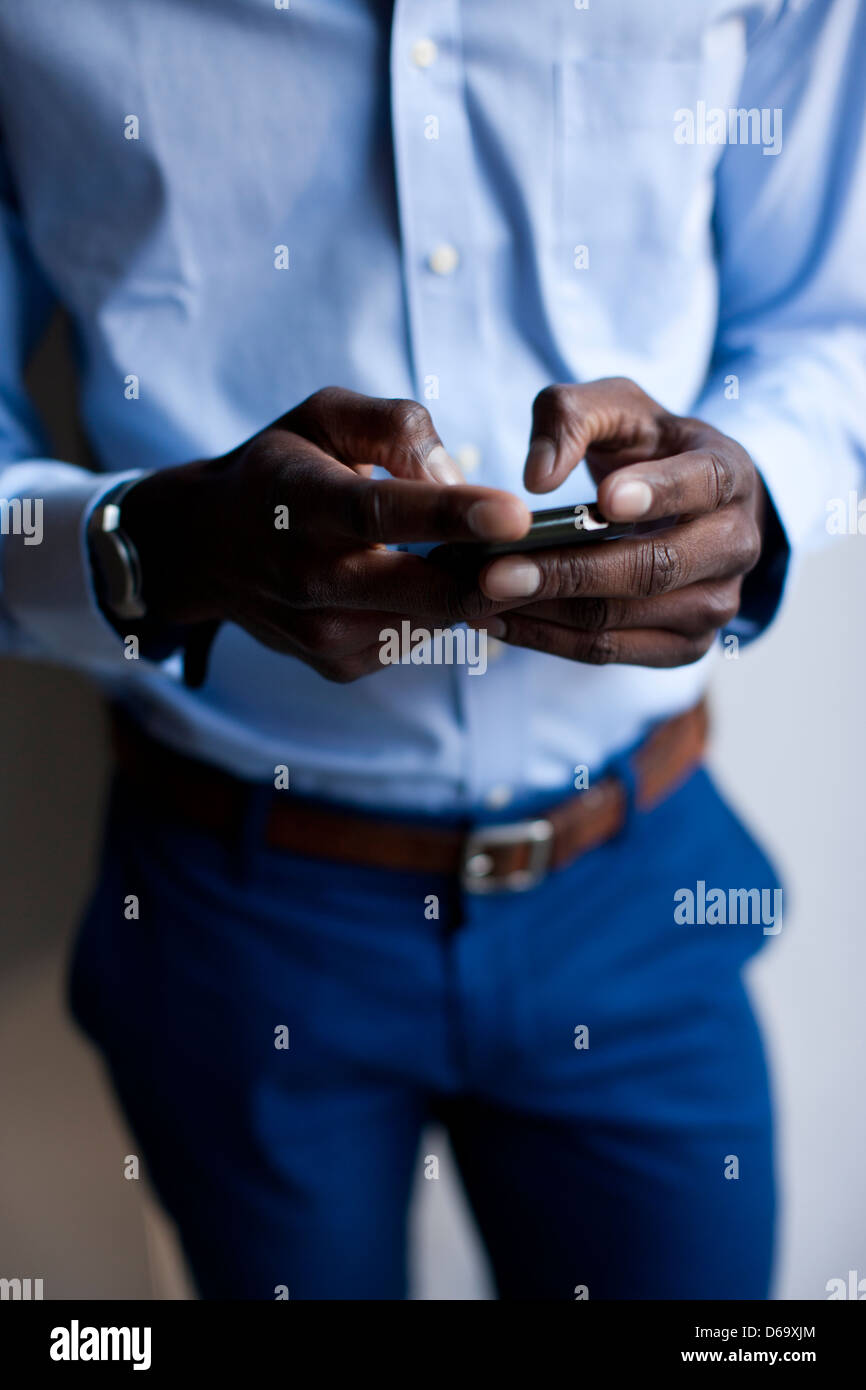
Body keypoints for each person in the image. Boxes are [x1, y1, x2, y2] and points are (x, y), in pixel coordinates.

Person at [1, 0, 863, 1300]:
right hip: (236, 906)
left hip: (639, 875)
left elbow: (832, 311)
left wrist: (763, 495)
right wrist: (155, 547)